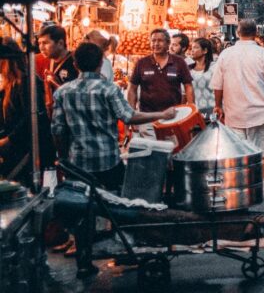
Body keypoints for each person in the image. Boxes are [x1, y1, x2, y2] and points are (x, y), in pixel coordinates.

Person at [51, 42, 175, 279]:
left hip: (78, 164)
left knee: (82, 211)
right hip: (108, 161)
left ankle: (84, 262)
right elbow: (129, 116)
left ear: (75, 64)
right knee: (120, 205)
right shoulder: (108, 90)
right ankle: (125, 247)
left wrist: (64, 156)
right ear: (100, 63)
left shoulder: (63, 92)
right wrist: (163, 114)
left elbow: (57, 129)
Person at [211, 20, 264, 198]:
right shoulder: (263, 54)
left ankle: (239, 186)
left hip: (234, 112)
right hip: (261, 112)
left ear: (237, 32)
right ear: (256, 33)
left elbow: (217, 85)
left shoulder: (226, 54)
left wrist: (218, 106)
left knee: (236, 151)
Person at [0, 39, 54, 186]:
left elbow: (31, 117)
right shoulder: (8, 84)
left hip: (28, 150)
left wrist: (8, 140)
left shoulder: (27, 82)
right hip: (15, 147)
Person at [127, 29, 194, 136]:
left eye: (160, 41)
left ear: (168, 43)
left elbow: (188, 86)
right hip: (147, 118)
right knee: (150, 151)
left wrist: (191, 113)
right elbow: (132, 89)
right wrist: (132, 115)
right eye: (153, 41)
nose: (156, 44)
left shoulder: (179, 62)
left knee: (172, 149)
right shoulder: (142, 63)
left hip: (173, 117)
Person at [38, 25, 78, 116]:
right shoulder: (45, 61)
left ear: (60, 43)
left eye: (45, 43)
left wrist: (56, 83)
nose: (41, 47)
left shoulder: (75, 62)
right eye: (39, 43)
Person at [189, 38, 216, 120]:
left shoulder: (214, 67)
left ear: (205, 51)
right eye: (191, 48)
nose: (192, 50)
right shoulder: (189, 69)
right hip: (196, 111)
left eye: (196, 47)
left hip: (213, 110)